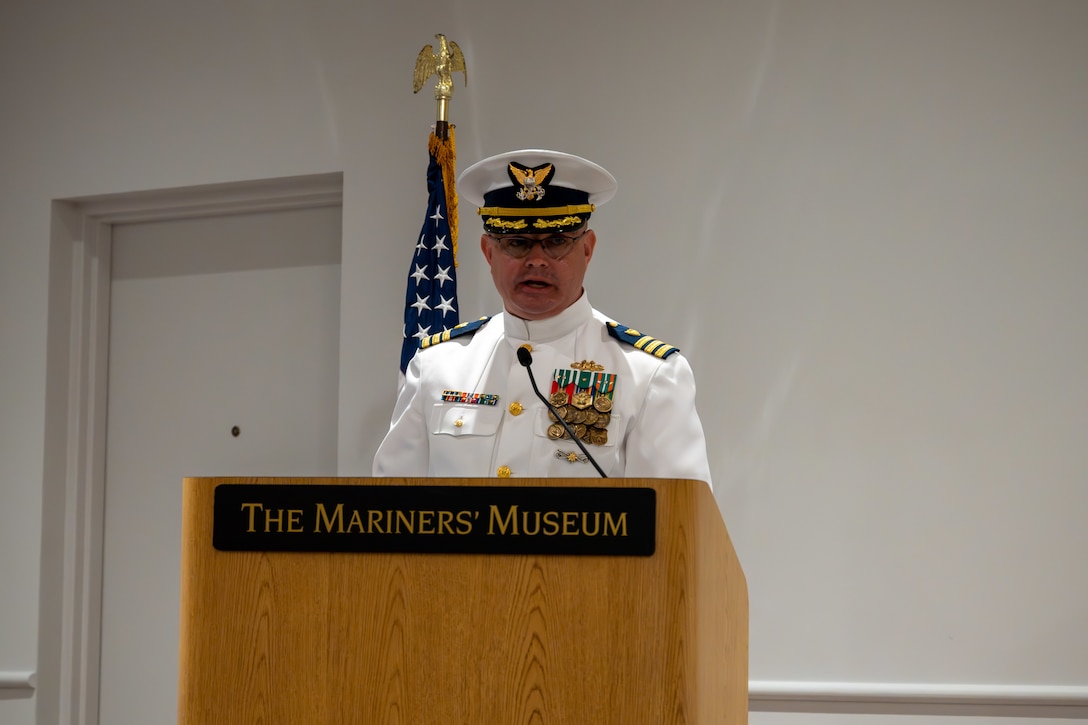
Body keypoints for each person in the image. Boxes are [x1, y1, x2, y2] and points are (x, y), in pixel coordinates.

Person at [373, 149, 712, 484]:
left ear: (587, 248)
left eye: (557, 241)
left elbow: (679, 518)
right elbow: (388, 508)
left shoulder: (648, 375)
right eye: (517, 242)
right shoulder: (437, 365)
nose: (537, 259)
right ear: (488, 252)